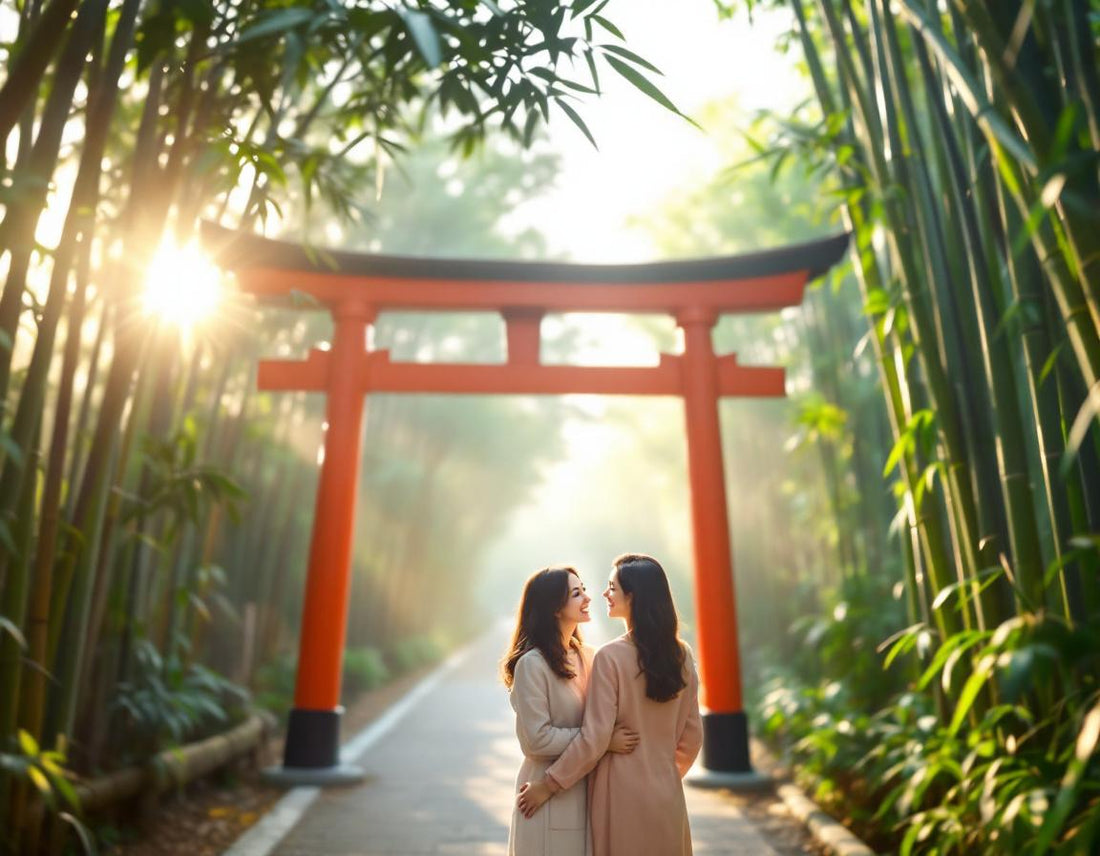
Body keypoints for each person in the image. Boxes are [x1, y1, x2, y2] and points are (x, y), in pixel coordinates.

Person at [516, 554, 703, 856]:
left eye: (612, 587)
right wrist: (662, 774)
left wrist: (548, 785)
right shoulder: (682, 655)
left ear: (633, 597)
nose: (602, 594)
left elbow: (595, 738)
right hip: (667, 791)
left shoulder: (609, 657)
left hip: (618, 794)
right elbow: (693, 737)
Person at [503, 566, 640, 856]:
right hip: (544, 792)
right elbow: (536, 741)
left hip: (587, 786)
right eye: (576, 593)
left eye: (584, 590)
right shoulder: (532, 665)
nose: (588, 598)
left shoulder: (589, 656)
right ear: (554, 608)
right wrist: (601, 741)